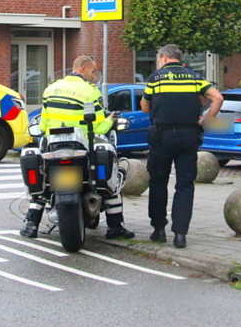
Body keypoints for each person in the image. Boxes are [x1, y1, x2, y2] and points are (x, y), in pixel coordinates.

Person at [20, 55, 136, 241]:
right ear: (82, 69)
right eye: (93, 70)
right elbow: (99, 127)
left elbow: (43, 126)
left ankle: (31, 224)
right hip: (81, 147)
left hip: (54, 147)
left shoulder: (51, 89)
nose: (95, 74)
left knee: (45, 184)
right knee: (109, 178)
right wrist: (110, 120)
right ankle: (115, 226)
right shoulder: (90, 92)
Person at [141, 45, 224, 249]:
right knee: (185, 185)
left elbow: (144, 108)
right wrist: (206, 119)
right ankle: (180, 234)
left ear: (164, 58)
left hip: (162, 135)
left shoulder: (155, 78)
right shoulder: (194, 77)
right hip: (188, 136)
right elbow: (218, 98)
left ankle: (159, 229)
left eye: (159, 59)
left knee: (158, 183)